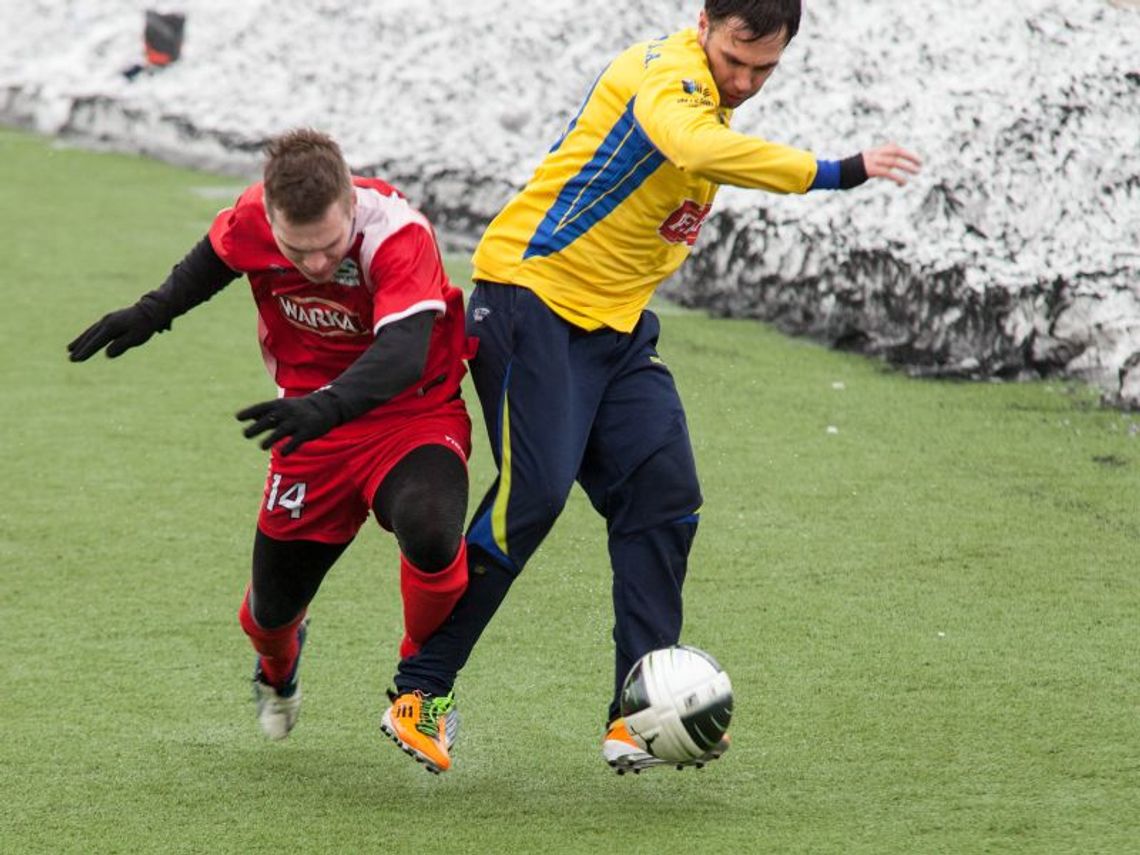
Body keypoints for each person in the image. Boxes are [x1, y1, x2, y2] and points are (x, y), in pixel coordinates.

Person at [393, 0, 923, 774]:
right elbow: (692, 145)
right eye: (735, 58)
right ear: (704, 22)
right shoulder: (666, 75)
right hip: (528, 301)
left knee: (664, 496)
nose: (744, 81)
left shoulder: (715, 90)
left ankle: (638, 712)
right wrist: (837, 172)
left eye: (764, 69)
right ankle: (420, 689)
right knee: (533, 495)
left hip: (614, 329)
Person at [67, 128, 475, 774]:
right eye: (296, 249)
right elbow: (215, 257)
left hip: (412, 412)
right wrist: (150, 313)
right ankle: (277, 669)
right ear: (273, 218)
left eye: (329, 246)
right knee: (270, 612)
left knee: (431, 527)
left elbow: (403, 353)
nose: (315, 264)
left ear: (350, 203)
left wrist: (327, 404)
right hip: (308, 424)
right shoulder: (255, 215)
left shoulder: (397, 233)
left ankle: (422, 690)